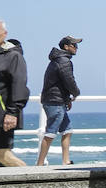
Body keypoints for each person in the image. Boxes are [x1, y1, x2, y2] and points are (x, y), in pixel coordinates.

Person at [0, 18, 29, 168]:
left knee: (3, 155)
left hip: (1, 116)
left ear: (4, 34)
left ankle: (33, 182)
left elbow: (19, 86)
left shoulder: (12, 56)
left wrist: (12, 113)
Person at [36, 36, 83, 166]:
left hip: (57, 100)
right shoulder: (64, 61)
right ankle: (39, 164)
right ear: (66, 47)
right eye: (74, 45)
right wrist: (76, 93)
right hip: (54, 102)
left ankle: (66, 161)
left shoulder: (59, 60)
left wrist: (67, 99)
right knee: (50, 133)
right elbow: (68, 80)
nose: (76, 48)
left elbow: (60, 83)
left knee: (67, 131)